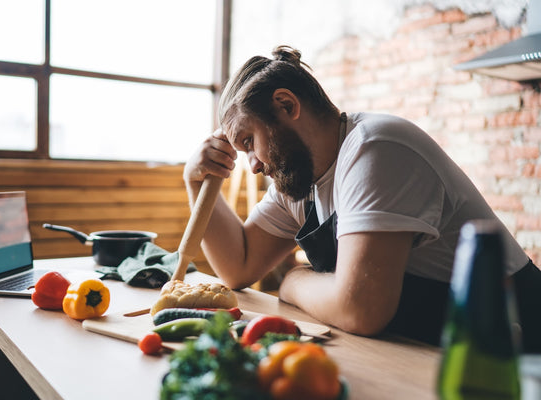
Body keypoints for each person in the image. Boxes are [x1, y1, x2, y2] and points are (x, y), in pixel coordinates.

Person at [183, 45, 541, 350]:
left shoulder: (375, 149)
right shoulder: (299, 178)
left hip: (515, 348)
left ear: (286, 105)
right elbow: (238, 266)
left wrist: (292, 280)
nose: (255, 165)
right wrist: (196, 181)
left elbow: (360, 310)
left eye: (249, 142)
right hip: (427, 347)